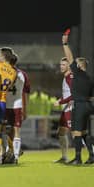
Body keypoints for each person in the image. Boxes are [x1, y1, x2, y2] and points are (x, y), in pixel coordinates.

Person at [62, 33, 94, 165]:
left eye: (75, 64)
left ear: (80, 66)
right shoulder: (89, 78)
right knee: (84, 132)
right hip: (88, 105)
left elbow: (70, 58)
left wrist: (65, 43)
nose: (72, 66)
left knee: (76, 132)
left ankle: (78, 158)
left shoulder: (79, 74)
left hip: (80, 105)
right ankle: (92, 156)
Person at [0, 47, 17, 164]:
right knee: (0, 130)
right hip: (3, 101)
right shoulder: (14, 72)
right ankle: (3, 154)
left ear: (2, 57)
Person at [6, 55, 30, 164]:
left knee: (7, 131)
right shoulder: (23, 74)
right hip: (18, 105)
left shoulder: (5, 73)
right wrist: (25, 109)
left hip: (6, 105)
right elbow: (26, 93)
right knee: (16, 131)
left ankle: (11, 153)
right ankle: (15, 156)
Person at [53, 57, 73, 163]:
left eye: (64, 65)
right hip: (66, 108)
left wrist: (60, 102)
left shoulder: (70, 77)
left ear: (69, 66)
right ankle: (64, 157)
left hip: (71, 108)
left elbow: (74, 95)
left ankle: (91, 152)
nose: (61, 66)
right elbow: (68, 94)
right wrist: (61, 99)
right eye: (60, 64)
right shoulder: (66, 77)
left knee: (77, 133)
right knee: (61, 132)